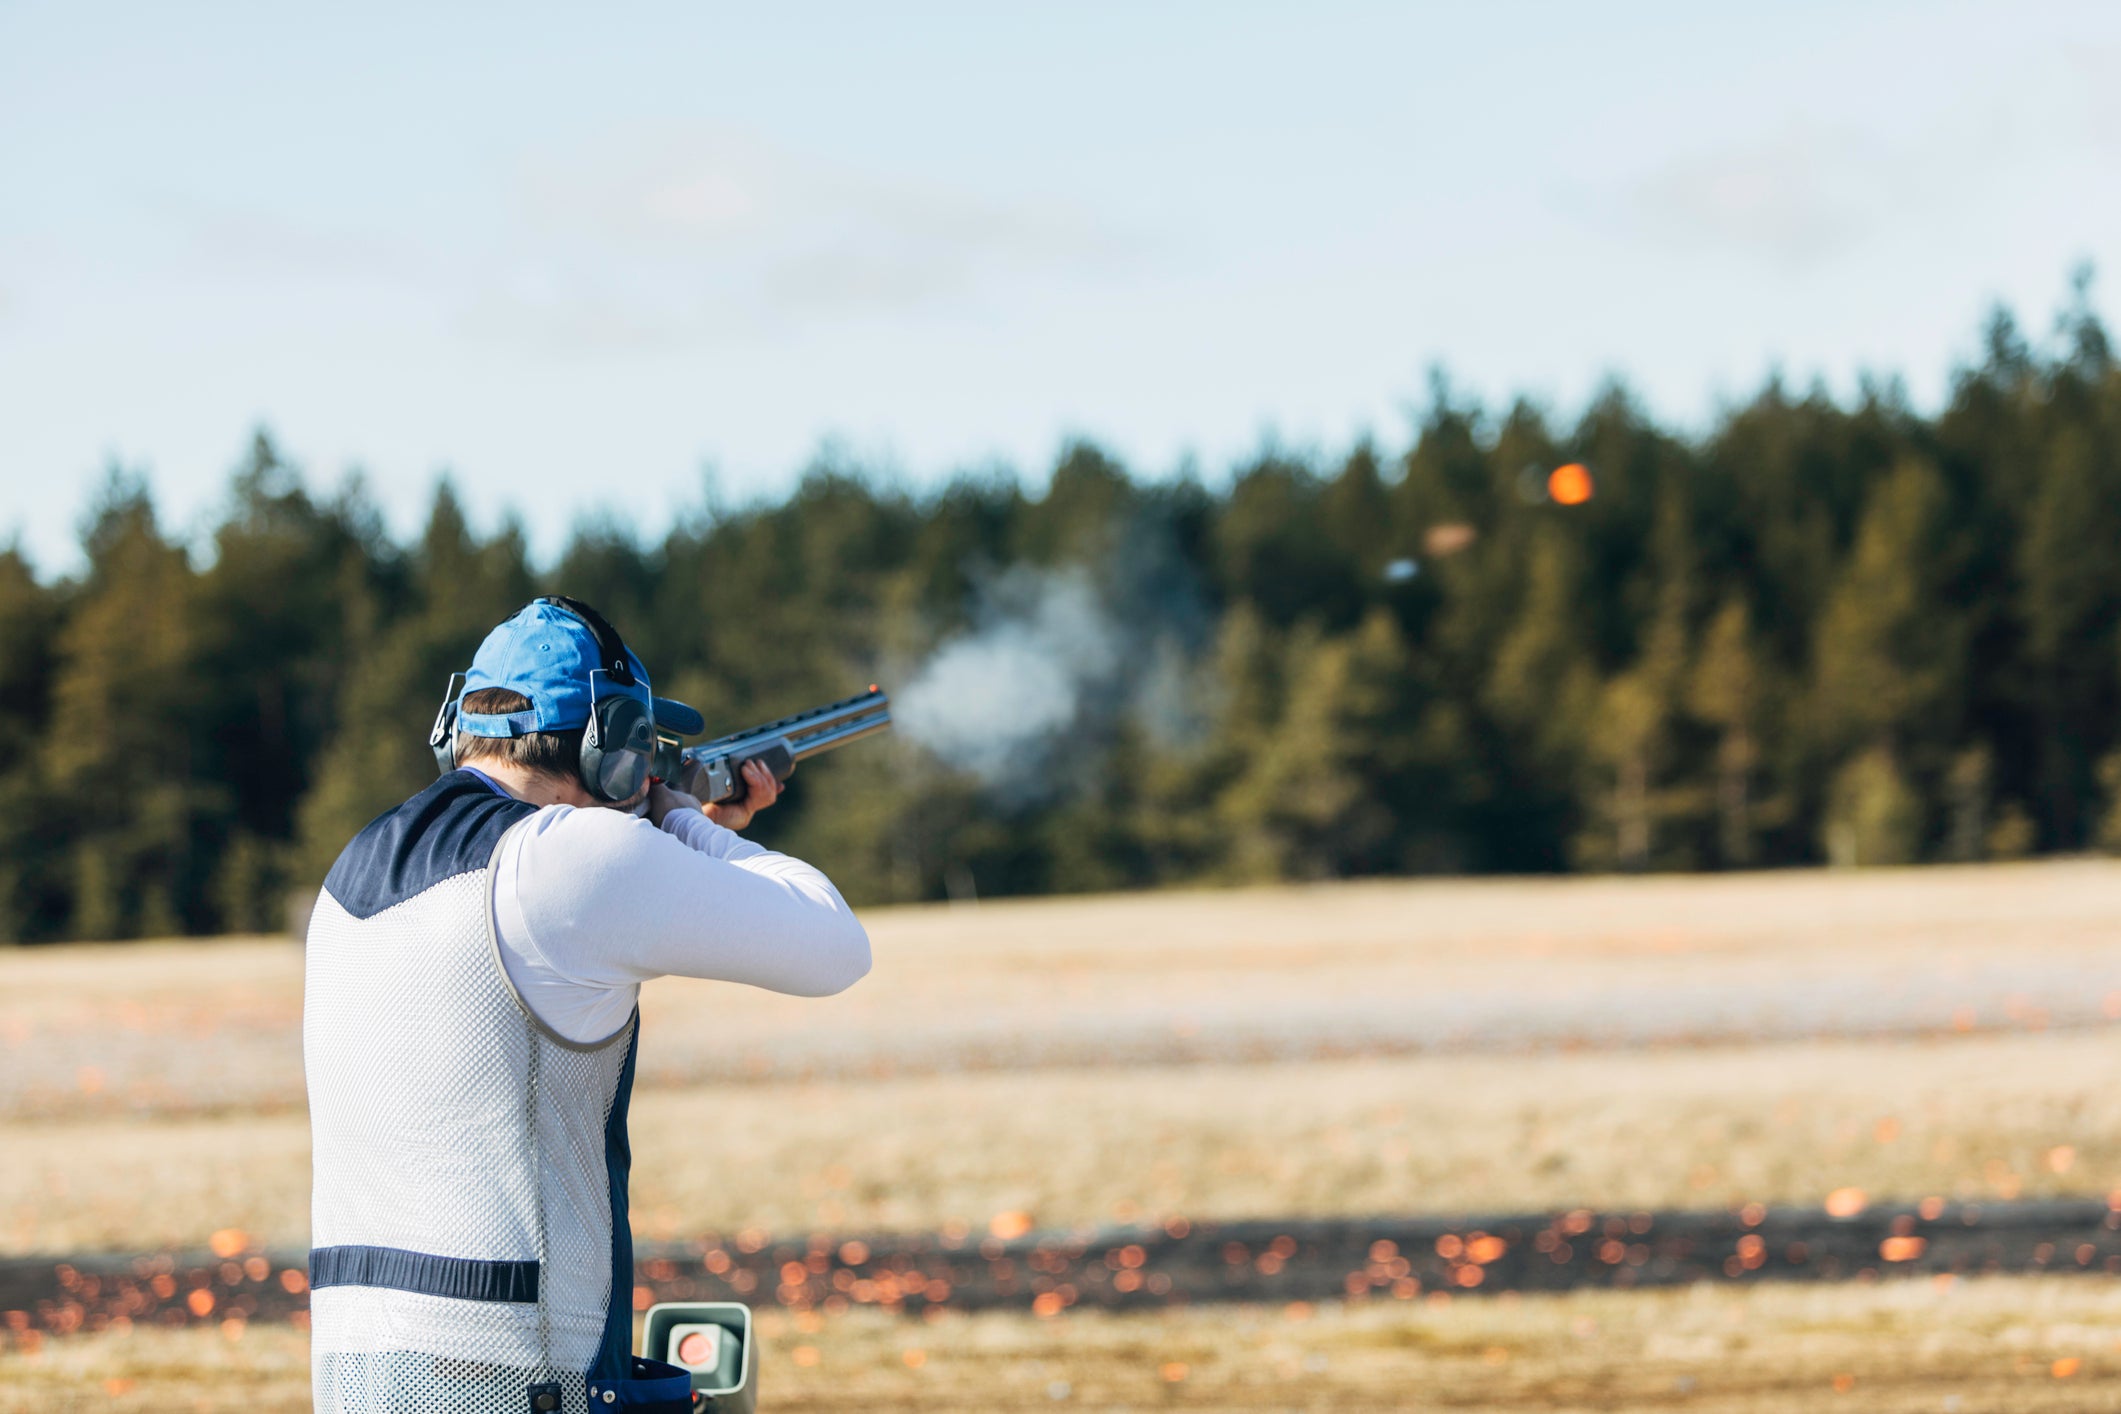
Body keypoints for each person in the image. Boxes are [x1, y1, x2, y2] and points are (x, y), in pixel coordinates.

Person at [302, 596, 871, 1414]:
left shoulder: (355, 867)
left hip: (358, 1371)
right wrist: (683, 821)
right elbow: (833, 944)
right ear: (615, 744)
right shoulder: (567, 856)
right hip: (519, 1373)